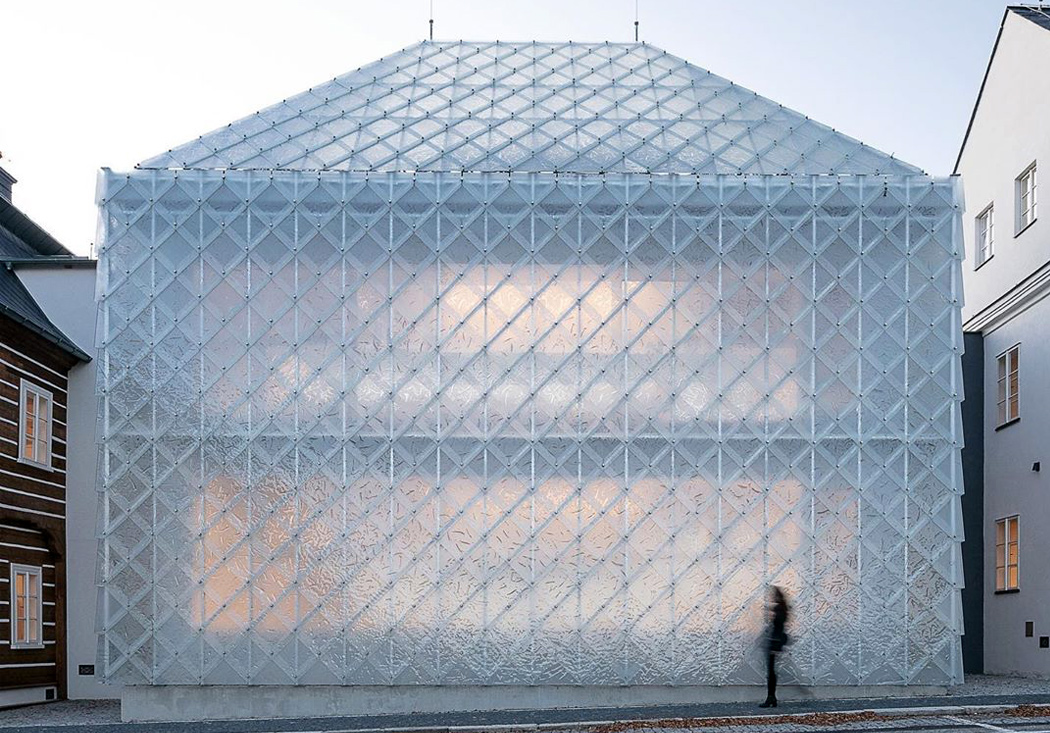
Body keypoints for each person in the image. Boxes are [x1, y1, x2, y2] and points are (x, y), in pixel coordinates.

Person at [760, 585, 789, 708]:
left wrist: (775, 645)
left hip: (775, 643)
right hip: (776, 642)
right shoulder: (782, 608)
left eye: (773, 595)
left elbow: (779, 627)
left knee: (771, 671)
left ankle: (771, 697)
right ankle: (771, 697)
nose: (772, 597)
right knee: (771, 671)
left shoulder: (780, 609)